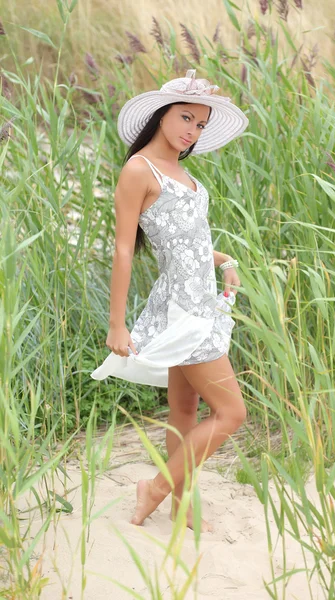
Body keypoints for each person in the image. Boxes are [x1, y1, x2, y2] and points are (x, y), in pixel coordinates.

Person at [90, 69, 249, 532]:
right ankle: (157, 488)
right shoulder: (140, 169)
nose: (191, 131)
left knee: (185, 410)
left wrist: (225, 260)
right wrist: (117, 324)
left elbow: (191, 241)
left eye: (199, 125)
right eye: (185, 118)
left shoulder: (183, 171)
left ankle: (181, 502)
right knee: (232, 412)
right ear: (161, 114)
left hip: (203, 301)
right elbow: (124, 249)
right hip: (182, 309)